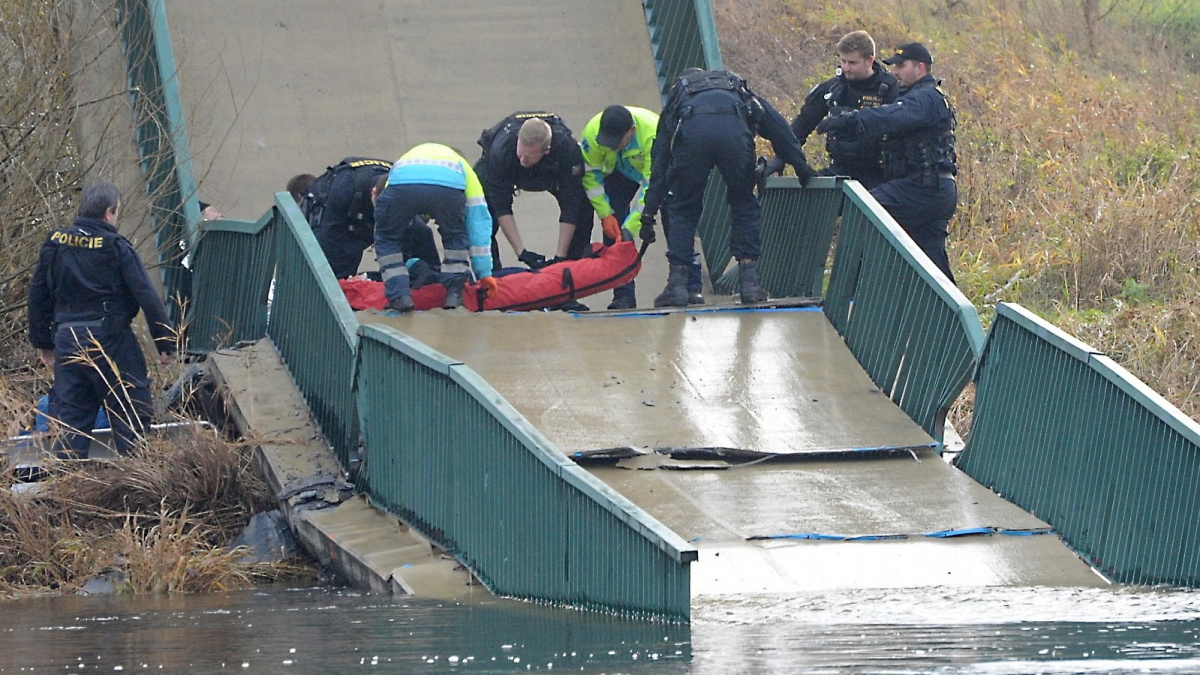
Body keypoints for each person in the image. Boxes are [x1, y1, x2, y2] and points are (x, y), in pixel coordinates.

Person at [27, 180, 176, 458]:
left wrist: (44, 343)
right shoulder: (116, 246)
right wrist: (165, 342)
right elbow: (146, 293)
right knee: (131, 414)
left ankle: (66, 490)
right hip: (111, 341)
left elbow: (38, 296)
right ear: (109, 212)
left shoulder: (55, 244)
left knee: (70, 423)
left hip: (68, 341)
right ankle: (139, 484)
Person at [646, 68, 816, 306]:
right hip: (734, 132)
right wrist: (802, 168)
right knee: (743, 201)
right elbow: (777, 127)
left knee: (683, 207)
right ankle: (749, 283)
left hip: (693, 134)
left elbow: (661, 154)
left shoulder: (680, 94)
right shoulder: (735, 86)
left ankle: (677, 285)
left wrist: (650, 208)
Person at [816, 42, 958, 283]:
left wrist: (854, 119)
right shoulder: (913, 96)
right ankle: (953, 317)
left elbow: (894, 116)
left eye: (901, 66)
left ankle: (853, 293)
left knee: (861, 211)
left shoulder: (927, 98)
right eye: (893, 66)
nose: (895, 72)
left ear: (920, 68)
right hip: (931, 189)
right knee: (933, 267)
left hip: (923, 188)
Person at [373, 143, 498, 312]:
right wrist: (484, 273)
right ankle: (454, 294)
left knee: (387, 238)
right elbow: (478, 222)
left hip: (401, 184)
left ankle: (399, 296)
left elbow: (389, 211)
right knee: (455, 236)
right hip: (448, 190)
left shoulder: (409, 158)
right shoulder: (463, 169)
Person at [475, 112, 593, 269]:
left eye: (529, 157)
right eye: (521, 153)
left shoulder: (567, 149)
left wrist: (560, 256)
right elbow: (501, 206)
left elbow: (571, 205)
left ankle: (570, 265)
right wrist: (521, 252)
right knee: (480, 213)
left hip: (551, 172)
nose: (523, 160)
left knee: (583, 207)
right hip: (506, 168)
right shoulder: (501, 150)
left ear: (546, 151)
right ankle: (491, 272)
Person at [788, 30, 898, 189]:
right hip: (841, 169)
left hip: (881, 175)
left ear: (869, 60)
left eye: (852, 63)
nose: (846, 68)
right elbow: (803, 123)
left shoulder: (892, 89)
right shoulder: (833, 89)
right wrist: (783, 155)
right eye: (843, 61)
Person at [579, 105, 659, 309]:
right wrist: (606, 214)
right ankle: (623, 295)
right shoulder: (593, 132)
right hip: (620, 171)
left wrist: (630, 228)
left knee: (674, 217)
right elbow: (590, 176)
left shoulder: (653, 135)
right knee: (613, 229)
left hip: (658, 175)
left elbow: (651, 189)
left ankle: (685, 285)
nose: (611, 146)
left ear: (631, 131)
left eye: (616, 142)